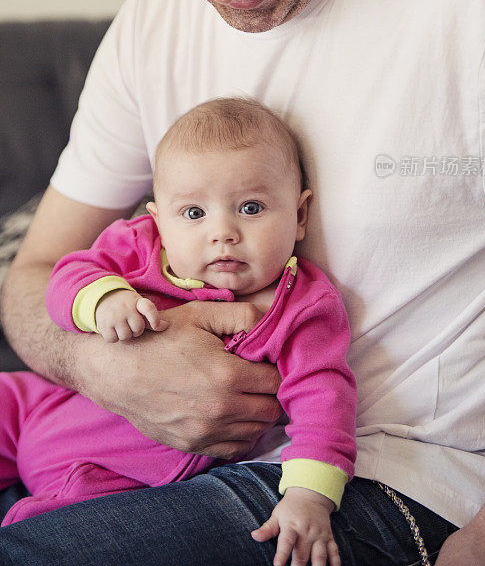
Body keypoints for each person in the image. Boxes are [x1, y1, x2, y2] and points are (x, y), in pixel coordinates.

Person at [0, 0, 485, 564]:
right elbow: (36, 271)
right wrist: (106, 368)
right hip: (163, 467)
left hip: (406, 485)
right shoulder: (154, 18)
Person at [0, 98, 356, 566]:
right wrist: (103, 299)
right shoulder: (136, 245)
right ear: (159, 219)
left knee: (38, 539)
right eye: (193, 214)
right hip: (42, 402)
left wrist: (309, 496)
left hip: (107, 472)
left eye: (250, 207)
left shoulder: (302, 306)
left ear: (300, 214)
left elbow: (324, 399)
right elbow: (67, 274)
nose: (223, 232)